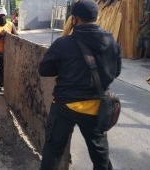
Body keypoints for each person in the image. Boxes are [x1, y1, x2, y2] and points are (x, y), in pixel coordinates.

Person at [38, 0, 121, 170]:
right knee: (100, 156)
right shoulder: (111, 41)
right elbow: (116, 71)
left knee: (53, 152)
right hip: (97, 107)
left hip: (65, 107)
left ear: (74, 19)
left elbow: (44, 70)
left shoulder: (63, 43)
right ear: (96, 17)